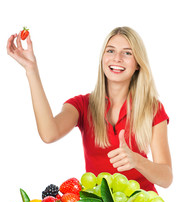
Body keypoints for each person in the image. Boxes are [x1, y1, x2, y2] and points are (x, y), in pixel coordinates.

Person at [7, 26, 173, 192]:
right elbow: (49, 134)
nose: (117, 58)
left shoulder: (152, 108)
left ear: (138, 64)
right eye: (110, 51)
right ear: (102, 59)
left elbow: (166, 178)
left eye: (127, 53)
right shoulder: (82, 105)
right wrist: (31, 70)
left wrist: (136, 160)